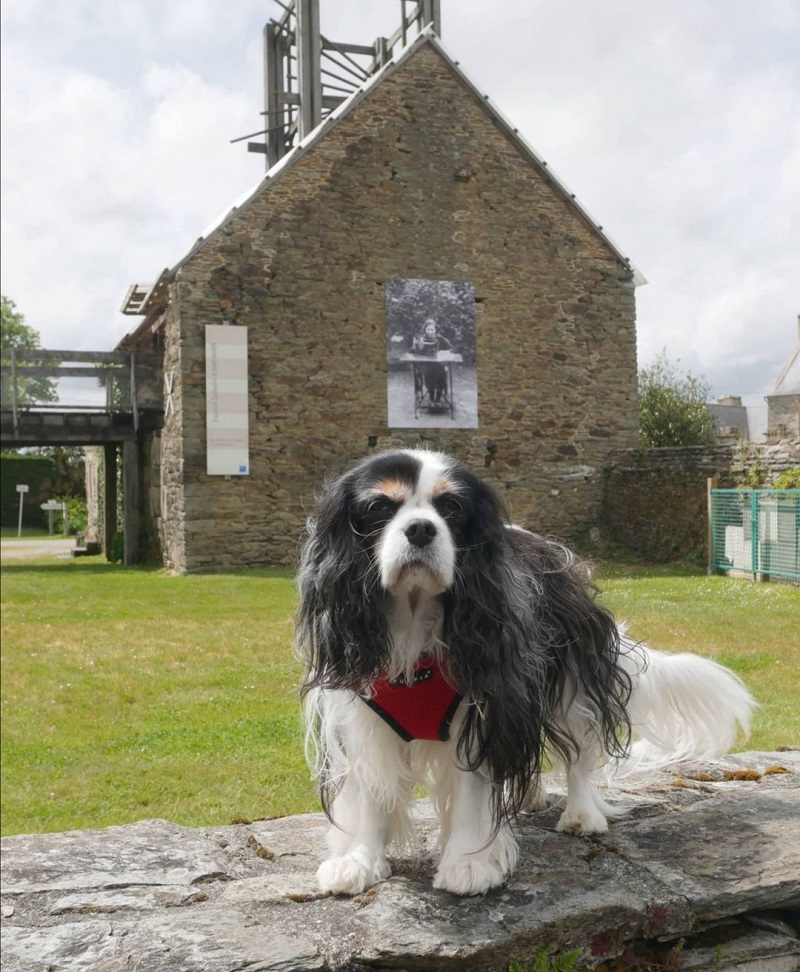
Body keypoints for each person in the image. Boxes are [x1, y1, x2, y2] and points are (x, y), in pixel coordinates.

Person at [412, 319, 452, 405]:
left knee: (440, 372)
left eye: (432, 329)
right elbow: (414, 352)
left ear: (435, 330)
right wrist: (417, 346)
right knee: (430, 372)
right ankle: (431, 396)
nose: (430, 332)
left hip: (439, 364)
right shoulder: (421, 339)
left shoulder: (440, 339)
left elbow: (450, 348)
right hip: (426, 365)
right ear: (425, 330)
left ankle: (438, 396)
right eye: (428, 329)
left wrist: (443, 352)